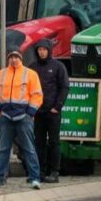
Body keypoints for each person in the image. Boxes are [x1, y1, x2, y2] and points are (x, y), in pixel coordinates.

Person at [0, 48, 44, 189]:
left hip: (24, 116)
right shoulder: (0, 75)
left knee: (29, 148)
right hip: (5, 116)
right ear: (8, 59)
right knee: (3, 149)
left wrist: (30, 112)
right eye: (11, 57)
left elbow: (37, 95)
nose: (13, 59)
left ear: (21, 58)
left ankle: (34, 178)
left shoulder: (30, 74)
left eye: (16, 57)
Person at [29, 39, 69, 183]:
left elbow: (64, 87)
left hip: (53, 112)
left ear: (49, 50)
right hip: (38, 112)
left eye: (44, 49)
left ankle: (54, 172)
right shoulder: (32, 67)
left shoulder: (58, 66)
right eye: (39, 50)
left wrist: (57, 107)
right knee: (38, 143)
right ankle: (39, 171)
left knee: (54, 142)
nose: (42, 52)